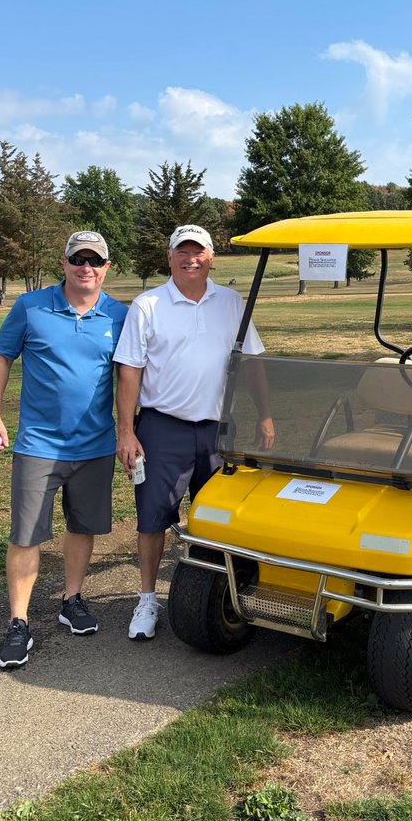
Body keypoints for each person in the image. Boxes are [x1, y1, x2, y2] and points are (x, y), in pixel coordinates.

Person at [114, 224, 274, 639]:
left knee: (221, 518)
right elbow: (129, 371)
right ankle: (148, 600)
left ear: (211, 257)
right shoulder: (147, 305)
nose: (191, 259)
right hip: (162, 430)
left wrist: (265, 415)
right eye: (182, 252)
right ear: (169, 258)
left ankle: (221, 595)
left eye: (198, 251)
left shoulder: (232, 301)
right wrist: (126, 432)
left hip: (218, 431)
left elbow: (252, 362)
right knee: (153, 519)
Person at [0, 231, 127, 669]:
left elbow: (129, 376)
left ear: (107, 267)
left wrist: (128, 430)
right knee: (26, 533)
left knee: (82, 527)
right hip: (39, 444)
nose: (86, 267)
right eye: (77, 259)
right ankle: (19, 622)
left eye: (95, 260)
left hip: (96, 444)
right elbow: (0, 359)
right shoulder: (31, 307)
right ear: (63, 263)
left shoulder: (120, 315)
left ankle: (71, 598)